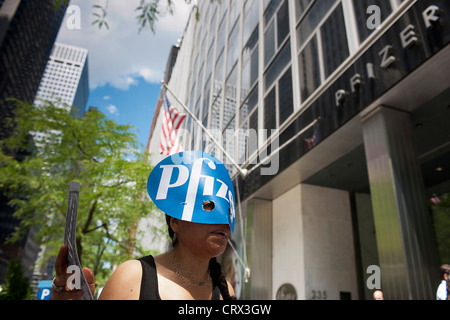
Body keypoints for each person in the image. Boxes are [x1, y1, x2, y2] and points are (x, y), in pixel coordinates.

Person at [52, 151, 236, 300]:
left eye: (227, 212)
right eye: (208, 207)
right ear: (175, 222)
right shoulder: (133, 276)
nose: (224, 221)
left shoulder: (226, 291)